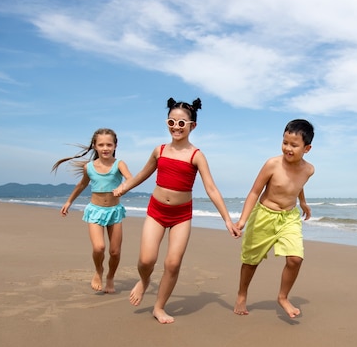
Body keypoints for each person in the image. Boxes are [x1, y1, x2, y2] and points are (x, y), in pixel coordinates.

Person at [113, 97, 240, 324]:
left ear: (193, 126)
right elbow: (143, 175)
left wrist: (227, 220)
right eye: (171, 122)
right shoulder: (159, 150)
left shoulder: (196, 155)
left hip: (181, 215)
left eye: (182, 123)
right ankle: (144, 281)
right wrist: (124, 186)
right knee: (146, 260)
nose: (176, 127)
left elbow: (211, 188)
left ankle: (159, 307)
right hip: (156, 211)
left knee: (172, 263)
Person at [233, 119, 315, 318]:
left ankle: (283, 297)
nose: (288, 148)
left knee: (295, 259)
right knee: (251, 260)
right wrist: (242, 220)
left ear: (307, 148)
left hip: (289, 217)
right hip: (264, 216)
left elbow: (297, 184)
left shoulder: (309, 170)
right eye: (285, 142)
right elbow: (254, 192)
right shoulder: (272, 164)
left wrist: (302, 202)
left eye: (294, 145)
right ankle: (242, 294)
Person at [52, 128, 133, 294]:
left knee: (115, 252)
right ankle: (99, 271)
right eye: (101, 144)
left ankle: (110, 277)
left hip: (114, 211)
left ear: (115, 145)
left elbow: (131, 179)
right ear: (95, 146)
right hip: (95, 211)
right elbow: (82, 185)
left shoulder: (119, 164)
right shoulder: (89, 167)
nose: (105, 148)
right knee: (99, 248)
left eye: (109, 144)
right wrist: (69, 201)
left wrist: (122, 187)